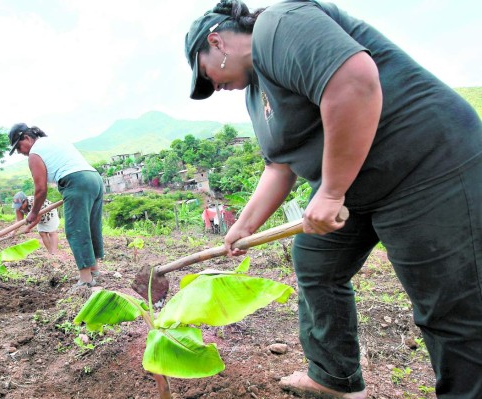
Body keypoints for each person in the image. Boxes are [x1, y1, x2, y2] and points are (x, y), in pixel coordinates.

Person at [184, 1, 482, 398]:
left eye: (204, 73)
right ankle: (333, 378)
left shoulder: (280, 26)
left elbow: (353, 82)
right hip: (357, 186)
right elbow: (280, 167)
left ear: (216, 41)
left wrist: (330, 191)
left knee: (447, 304)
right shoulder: (257, 95)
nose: (212, 86)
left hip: (426, 166)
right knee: (315, 263)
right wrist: (244, 226)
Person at [8, 123, 104, 288]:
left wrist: (33, 213)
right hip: (94, 178)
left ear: (27, 138)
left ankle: (86, 280)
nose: (20, 152)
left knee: (76, 230)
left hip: (76, 182)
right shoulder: (54, 141)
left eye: (19, 147)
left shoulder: (35, 153)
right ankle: (94, 271)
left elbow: (40, 189)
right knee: (90, 226)